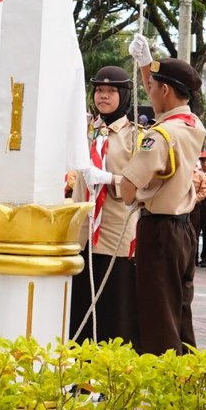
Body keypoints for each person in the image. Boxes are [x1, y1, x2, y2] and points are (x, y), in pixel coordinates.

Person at [118, 40, 205, 356]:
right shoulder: (191, 124)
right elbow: (162, 95)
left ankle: (160, 383)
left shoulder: (159, 136)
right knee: (179, 308)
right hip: (182, 228)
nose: (148, 89)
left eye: (152, 86)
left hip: (159, 231)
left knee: (157, 313)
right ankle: (185, 378)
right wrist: (147, 62)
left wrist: (120, 185)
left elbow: (128, 188)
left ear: (165, 90)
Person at [69, 65, 139, 345]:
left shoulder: (135, 135)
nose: (104, 96)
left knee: (113, 301)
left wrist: (110, 178)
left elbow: (144, 184)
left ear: (124, 96)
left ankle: (109, 374)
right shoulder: (87, 131)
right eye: (99, 90)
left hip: (114, 229)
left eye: (111, 91)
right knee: (80, 302)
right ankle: (77, 369)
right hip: (83, 229)